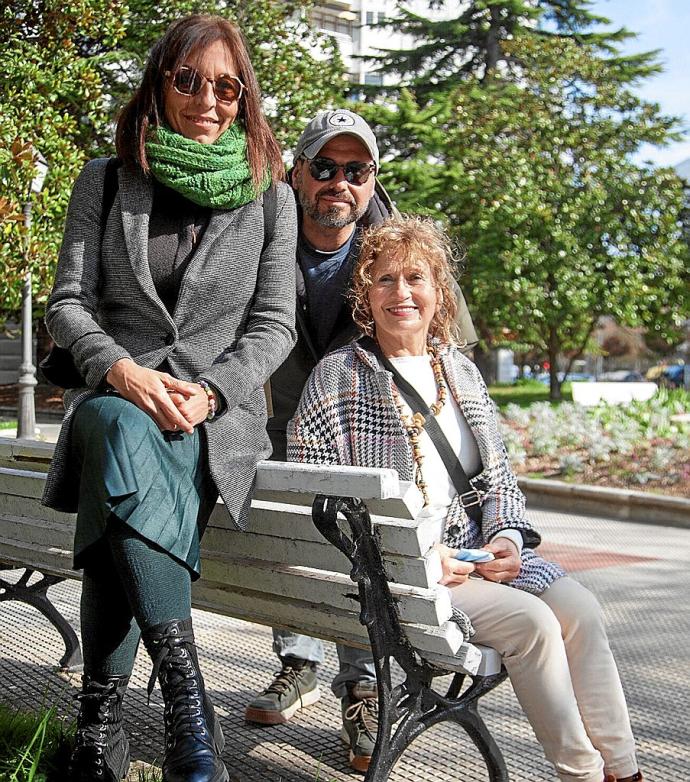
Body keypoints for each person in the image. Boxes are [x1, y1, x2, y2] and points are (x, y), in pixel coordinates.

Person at [287, 216, 643, 782]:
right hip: (397, 576)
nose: (401, 293)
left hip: (475, 558)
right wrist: (422, 559)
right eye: (384, 280)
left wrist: (505, 537)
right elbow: (322, 503)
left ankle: (622, 770)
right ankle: (580, 773)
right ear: (364, 294)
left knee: (580, 610)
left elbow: (498, 477)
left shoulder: (461, 372)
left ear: (437, 291)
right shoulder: (337, 378)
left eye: (415, 278)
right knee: (532, 624)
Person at [41, 15, 296, 782]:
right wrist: (120, 370)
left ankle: (100, 732)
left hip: (211, 419)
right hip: (118, 395)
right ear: (159, 85)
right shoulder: (108, 178)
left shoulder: (272, 198)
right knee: (117, 423)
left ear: (244, 96)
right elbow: (67, 306)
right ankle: (189, 708)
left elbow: (274, 325)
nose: (209, 99)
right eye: (190, 80)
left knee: (116, 489)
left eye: (227, 85)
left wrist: (213, 393)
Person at [245, 109, 478, 773]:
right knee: (284, 528)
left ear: (372, 177)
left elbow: (449, 331)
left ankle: (364, 685)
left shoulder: (395, 245)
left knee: (360, 534)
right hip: (279, 414)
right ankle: (298, 663)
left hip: (368, 423)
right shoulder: (264, 231)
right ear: (296, 173)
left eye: (355, 170)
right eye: (323, 167)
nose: (338, 182)